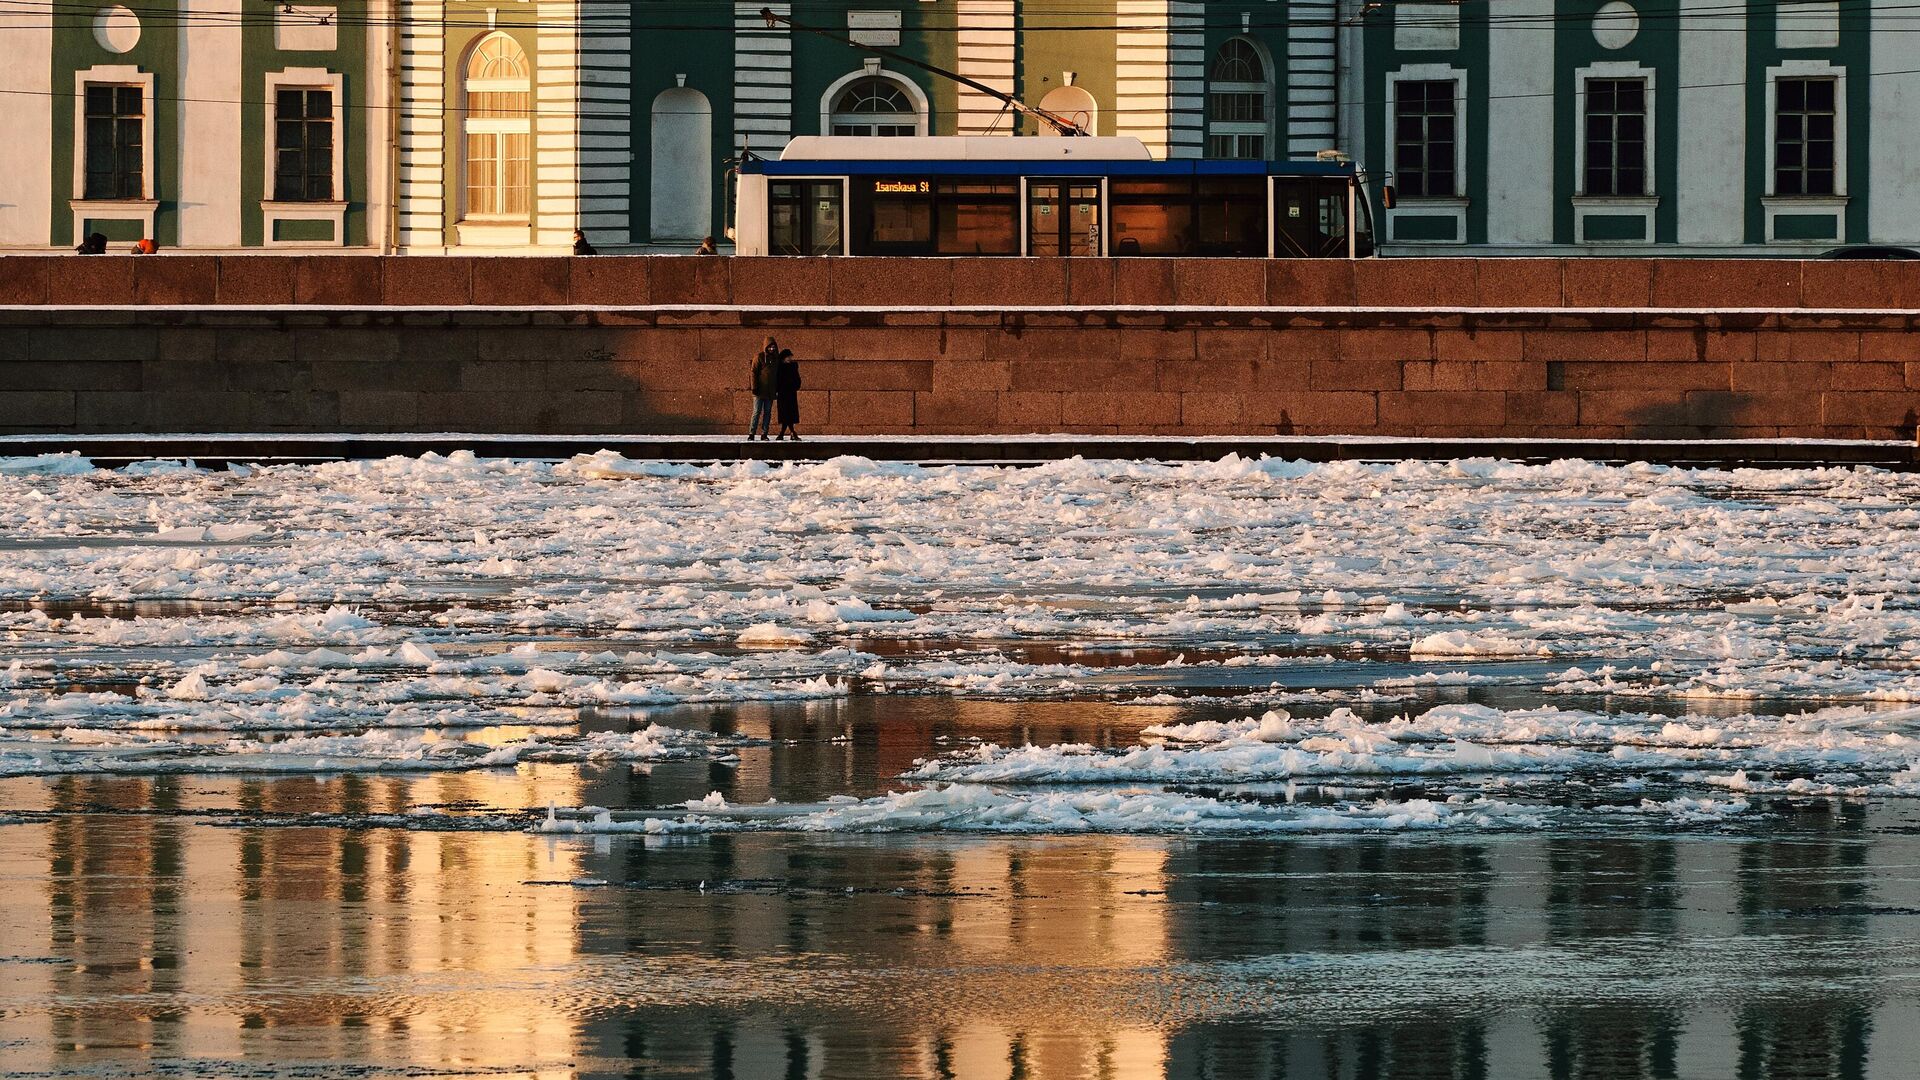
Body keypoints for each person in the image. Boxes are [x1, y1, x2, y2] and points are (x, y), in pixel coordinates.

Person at [748, 337, 779, 441]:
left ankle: (764, 434)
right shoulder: (759, 357)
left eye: (773, 347)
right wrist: (754, 387)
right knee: (756, 412)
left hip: (770, 391)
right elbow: (753, 372)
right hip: (759, 391)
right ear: (766, 347)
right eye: (770, 347)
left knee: (767, 413)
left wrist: (776, 389)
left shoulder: (776, 358)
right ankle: (751, 433)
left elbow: (777, 375)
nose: (772, 349)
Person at [774, 348, 801, 441]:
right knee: (785, 413)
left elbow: (797, 378)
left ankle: (783, 433)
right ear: (783, 358)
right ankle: (792, 432)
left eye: (790, 356)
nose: (789, 358)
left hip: (791, 393)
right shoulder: (779, 367)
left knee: (790, 413)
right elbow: (777, 380)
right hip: (783, 393)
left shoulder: (793, 366)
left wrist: (796, 386)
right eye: (788, 357)